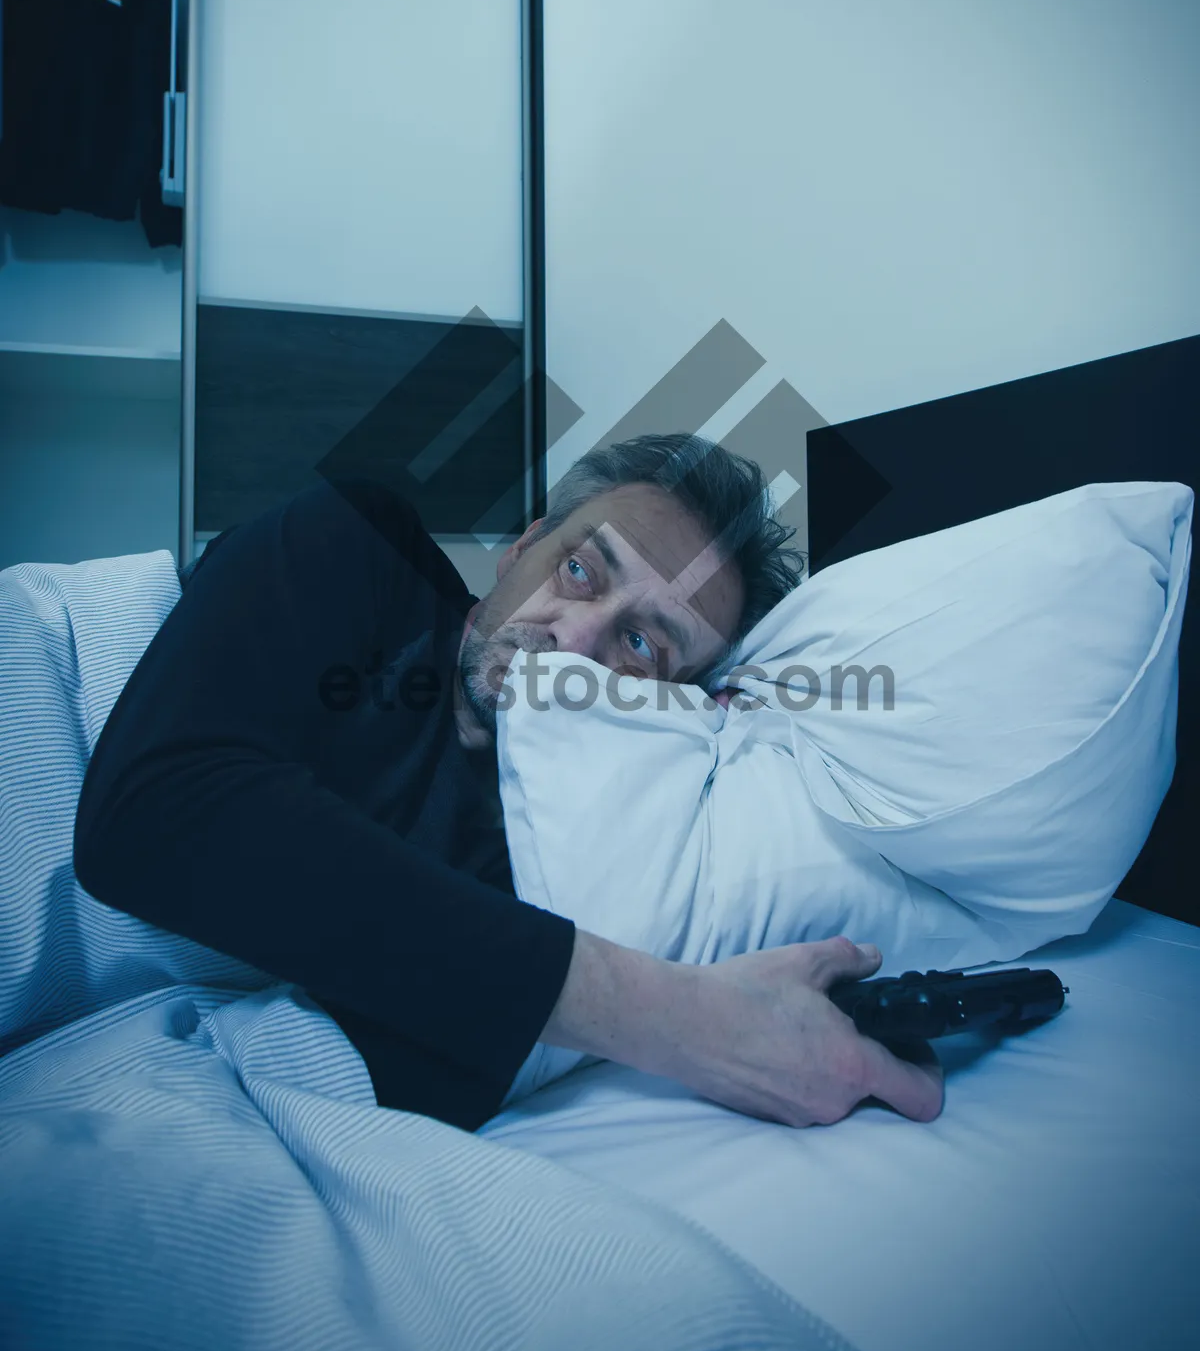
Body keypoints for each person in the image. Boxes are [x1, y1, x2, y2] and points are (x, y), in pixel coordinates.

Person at [74, 433, 943, 1132]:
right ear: (523, 547)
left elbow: (410, 1059)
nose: (575, 637)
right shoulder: (363, 545)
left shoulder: (563, 860)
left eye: (643, 646)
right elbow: (153, 811)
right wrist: (702, 1026)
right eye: (578, 571)